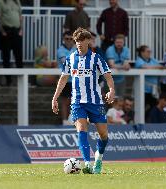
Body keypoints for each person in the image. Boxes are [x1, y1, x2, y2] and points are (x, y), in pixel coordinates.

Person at [52, 28, 115, 174]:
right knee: (81, 130)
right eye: (77, 40)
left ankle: (98, 160)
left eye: (82, 40)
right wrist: (55, 98)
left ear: (88, 41)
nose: (79, 43)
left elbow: (108, 76)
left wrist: (111, 90)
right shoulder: (70, 59)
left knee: (103, 135)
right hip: (77, 102)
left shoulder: (96, 58)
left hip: (95, 101)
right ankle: (87, 164)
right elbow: (63, 79)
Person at [0, 0, 23, 86]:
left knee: (18, 56)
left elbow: (20, 17)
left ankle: (21, 80)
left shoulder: (17, 1)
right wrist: (2, 31)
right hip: (6, 31)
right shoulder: (0, 2)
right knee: (6, 57)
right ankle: (8, 80)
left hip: (16, 31)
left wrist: (21, 29)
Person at [135, 45, 163, 121]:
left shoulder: (152, 60)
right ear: (142, 52)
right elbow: (144, 67)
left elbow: (160, 66)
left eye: (150, 51)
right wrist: (155, 67)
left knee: (154, 107)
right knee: (142, 108)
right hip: (143, 90)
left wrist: (153, 66)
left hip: (153, 90)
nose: (149, 53)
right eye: (148, 51)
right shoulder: (139, 60)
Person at [57, 31, 76, 125]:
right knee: (65, 102)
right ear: (64, 40)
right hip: (65, 80)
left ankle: (71, 120)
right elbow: (66, 62)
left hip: (75, 80)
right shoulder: (60, 50)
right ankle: (64, 122)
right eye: (66, 39)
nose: (69, 41)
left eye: (71, 39)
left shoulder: (76, 49)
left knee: (75, 101)